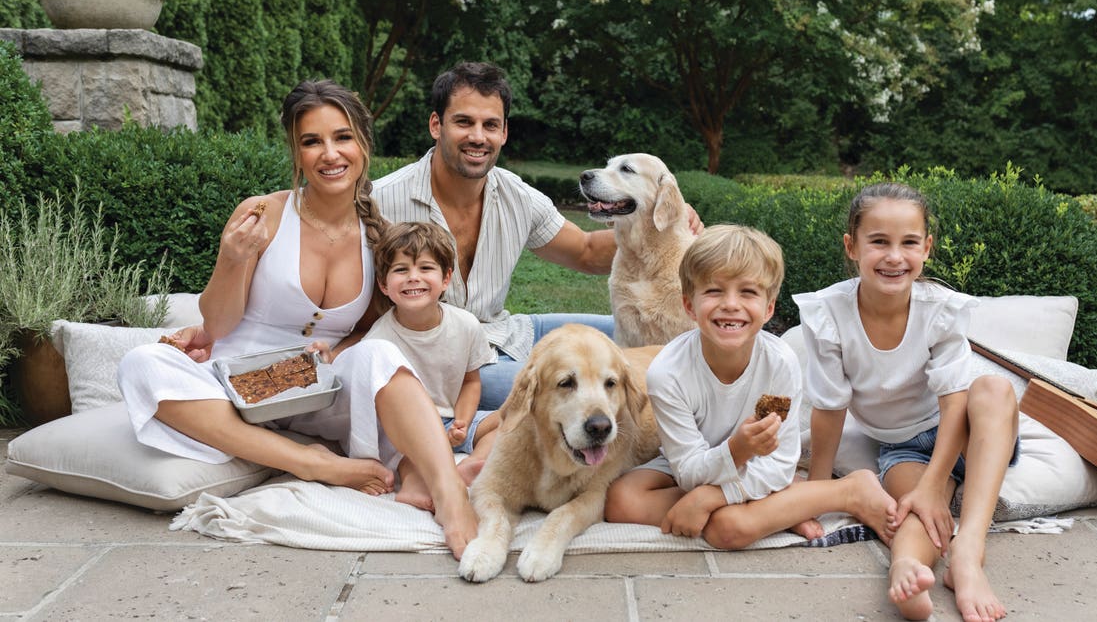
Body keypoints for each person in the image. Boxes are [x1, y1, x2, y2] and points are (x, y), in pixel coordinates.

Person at [117, 79, 477, 559]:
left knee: (380, 354)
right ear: (296, 150)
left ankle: (451, 496)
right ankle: (312, 463)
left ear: (364, 144)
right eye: (312, 141)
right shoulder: (262, 214)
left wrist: (340, 351)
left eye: (342, 137)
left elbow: (369, 330)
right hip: (240, 384)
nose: (330, 154)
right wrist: (230, 260)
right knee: (142, 363)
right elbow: (219, 325)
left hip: (317, 388)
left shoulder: (380, 237)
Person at [372, 61, 702, 410]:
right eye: (464, 122)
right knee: (561, 384)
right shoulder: (382, 201)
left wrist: (656, 221)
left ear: (504, 133)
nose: (478, 137)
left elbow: (586, 251)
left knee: (641, 335)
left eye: (491, 125)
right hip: (443, 360)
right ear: (436, 125)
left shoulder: (516, 195)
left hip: (505, 333)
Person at [795, 182, 1019, 622]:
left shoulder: (940, 310)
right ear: (851, 247)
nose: (894, 256)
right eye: (878, 242)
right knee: (914, 513)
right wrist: (817, 491)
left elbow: (955, 403)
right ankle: (907, 569)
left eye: (909, 243)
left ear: (927, 248)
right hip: (903, 445)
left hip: (969, 434)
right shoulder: (827, 314)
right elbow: (829, 406)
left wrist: (936, 483)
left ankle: (969, 555)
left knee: (993, 388)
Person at [604, 225, 897, 549]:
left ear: (769, 308)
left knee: (727, 529)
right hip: (695, 463)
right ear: (689, 305)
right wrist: (733, 453)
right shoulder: (668, 372)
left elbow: (780, 461)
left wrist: (710, 498)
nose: (731, 304)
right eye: (714, 291)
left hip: (757, 464)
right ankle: (789, 503)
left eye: (747, 292)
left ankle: (848, 491)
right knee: (621, 500)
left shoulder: (779, 363)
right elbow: (686, 470)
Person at [360, 220, 499, 510]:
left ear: (446, 278)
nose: (413, 277)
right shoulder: (380, 341)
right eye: (401, 270)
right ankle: (413, 484)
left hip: (450, 421)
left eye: (425, 268)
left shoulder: (466, 325)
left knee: (509, 420)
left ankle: (472, 465)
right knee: (407, 457)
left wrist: (462, 420)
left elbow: (471, 381)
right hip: (407, 432)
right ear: (384, 285)